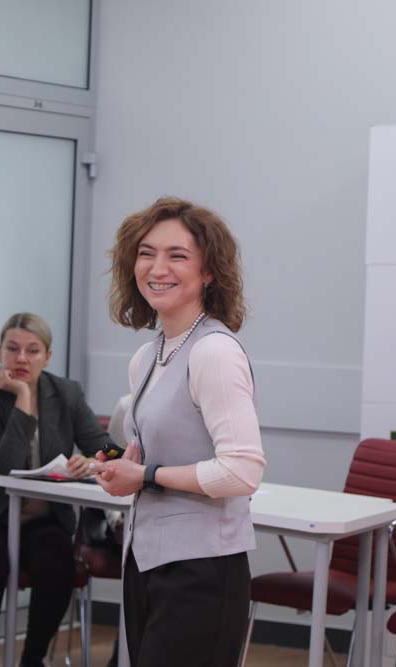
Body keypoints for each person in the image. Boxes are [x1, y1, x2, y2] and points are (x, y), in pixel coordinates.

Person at [93, 196, 266, 666]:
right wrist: (122, 469)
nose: (157, 268)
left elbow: (242, 471)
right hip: (146, 561)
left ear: (208, 272)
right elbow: (160, 454)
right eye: (146, 253)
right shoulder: (147, 357)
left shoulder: (215, 352)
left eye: (177, 255)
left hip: (202, 572)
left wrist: (147, 476)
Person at [0, 312, 111, 667]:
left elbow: (108, 448)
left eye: (32, 350)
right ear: (0, 352)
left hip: (44, 517)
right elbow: (3, 465)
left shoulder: (66, 393)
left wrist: (91, 461)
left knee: (58, 562)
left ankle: (33, 658)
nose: (21, 358)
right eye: (12, 349)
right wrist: (23, 396)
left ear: (48, 356)